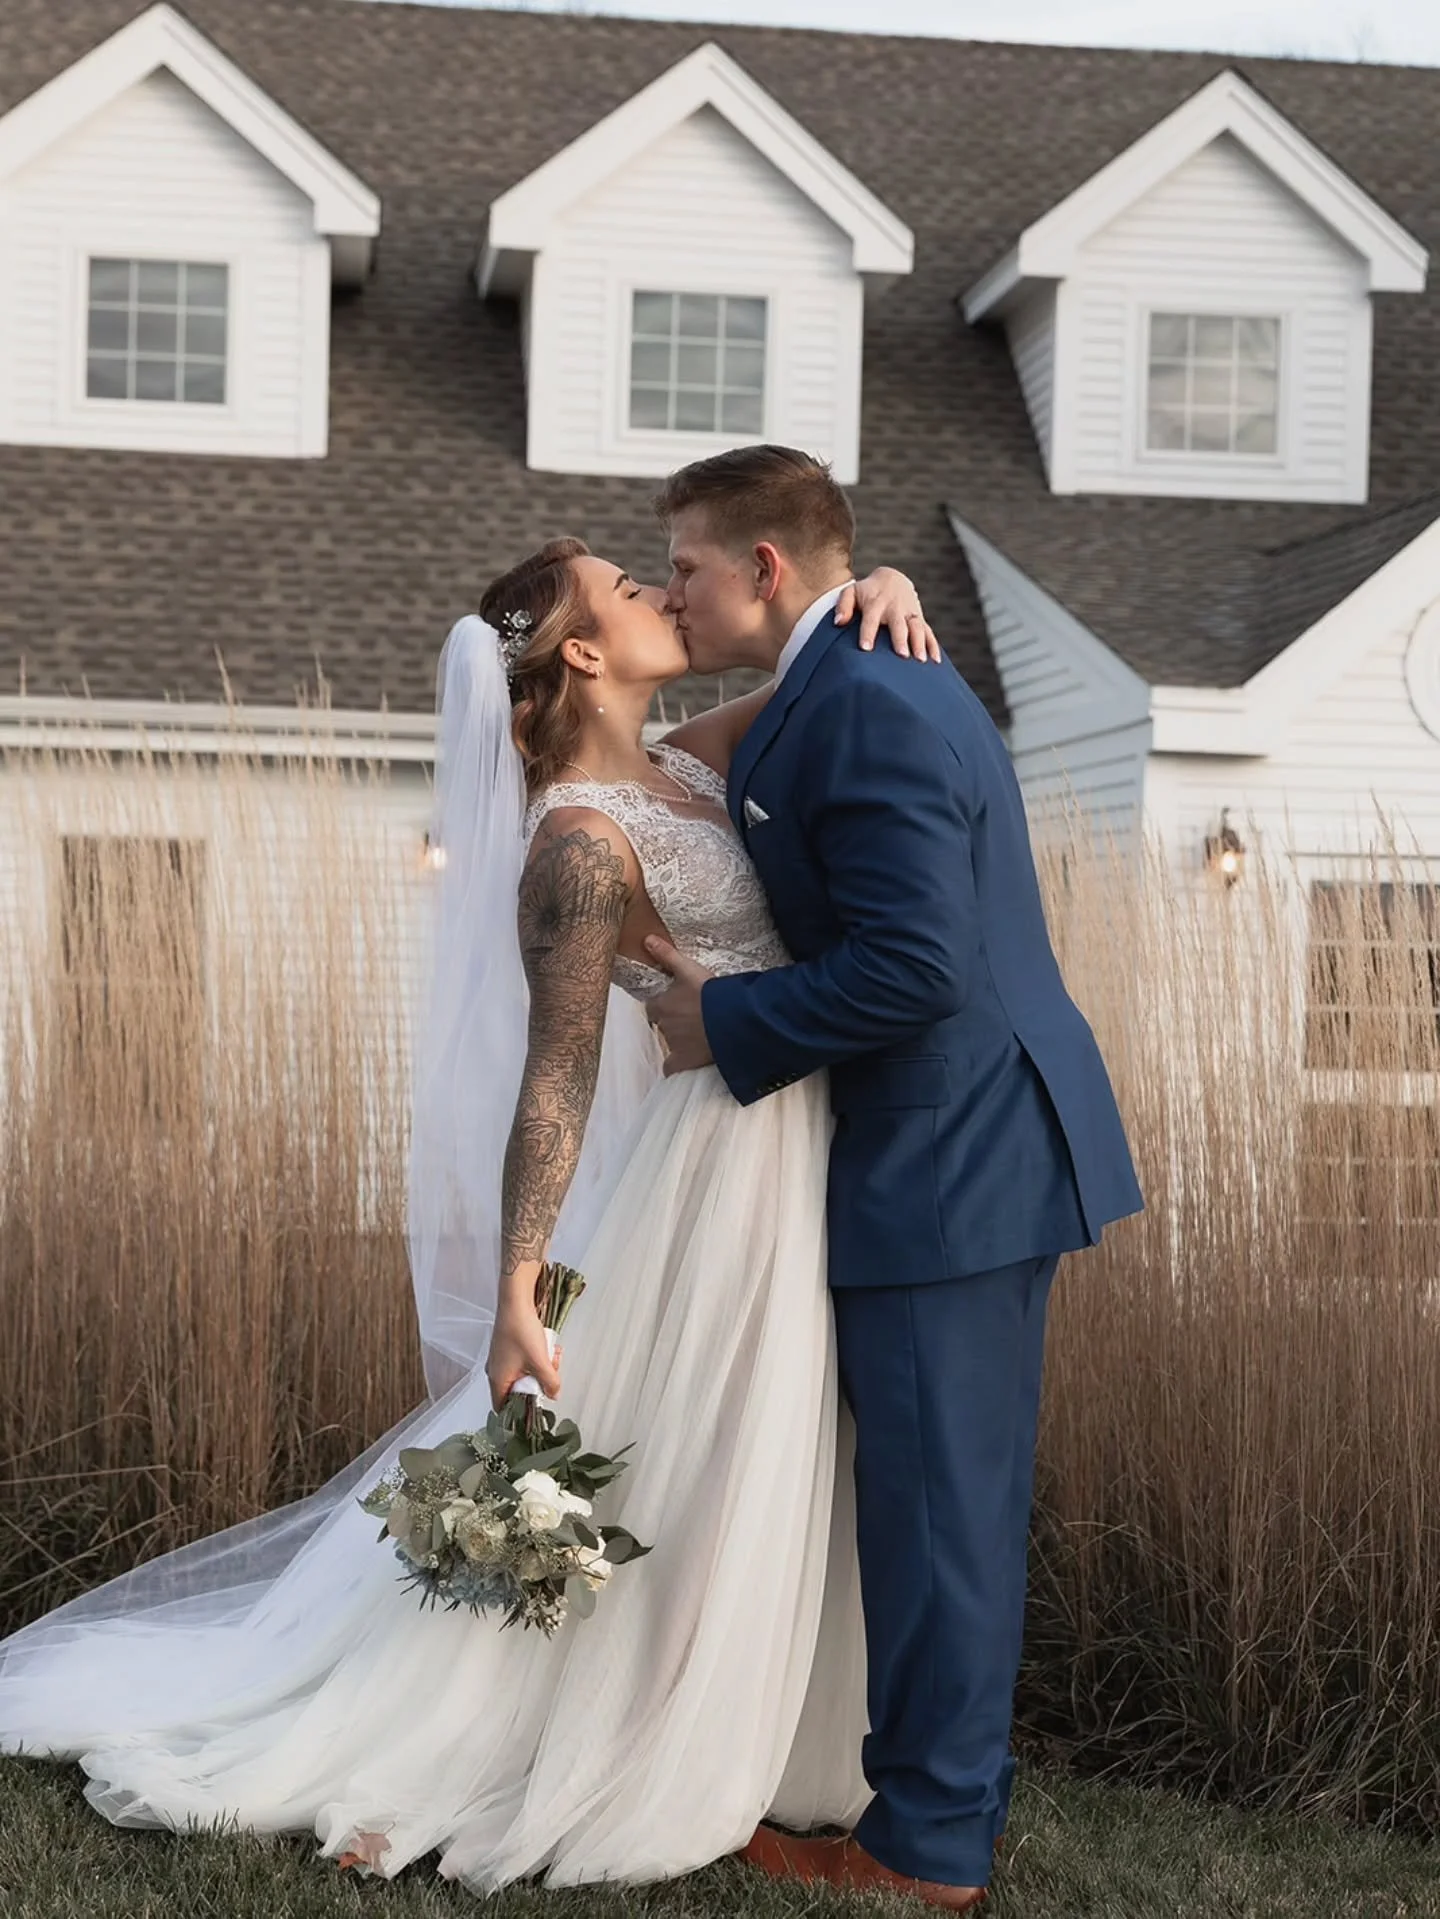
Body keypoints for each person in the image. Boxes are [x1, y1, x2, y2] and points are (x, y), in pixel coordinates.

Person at [0, 539, 935, 1891]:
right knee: (705, 1450)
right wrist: (518, 1285)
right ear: (585, 652)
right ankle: (600, 1739)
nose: (663, 593)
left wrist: (880, 588)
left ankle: (754, 1720)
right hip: (721, 1166)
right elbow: (555, 1079)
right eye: (631, 589)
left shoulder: (686, 765)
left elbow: (812, 671)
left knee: (759, 1447)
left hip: (803, 1141)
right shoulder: (576, 847)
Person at [646, 444, 1144, 1912]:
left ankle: (925, 1850)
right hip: (959, 1146)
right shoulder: (851, 673)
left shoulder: (866, 696)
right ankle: (930, 1809)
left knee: (942, 1519)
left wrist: (724, 1022)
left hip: (954, 1155)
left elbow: (920, 966)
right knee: (939, 1509)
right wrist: (882, 579)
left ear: (764, 568)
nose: (672, 590)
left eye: (685, 564)